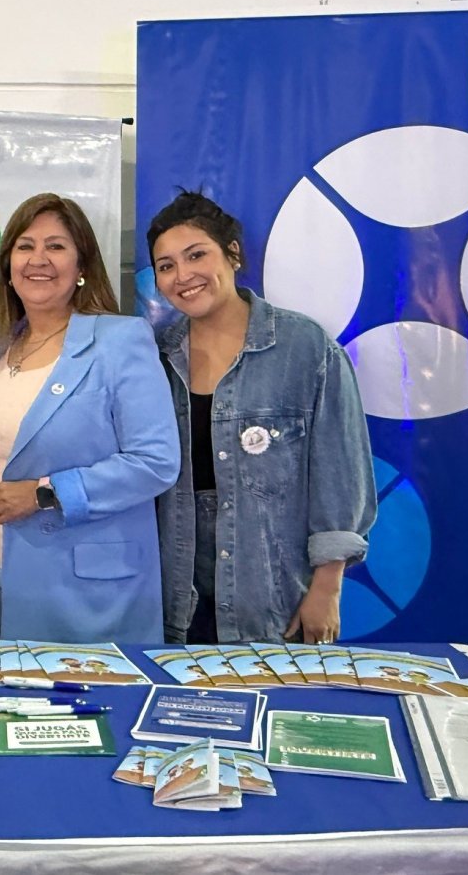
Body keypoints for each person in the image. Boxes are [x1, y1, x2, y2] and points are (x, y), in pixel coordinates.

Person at [148, 190, 376, 645]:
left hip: (272, 594)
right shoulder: (153, 354)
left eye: (196, 255)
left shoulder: (305, 348)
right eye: (166, 265)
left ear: (233, 254)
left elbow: (341, 475)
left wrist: (327, 588)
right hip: (173, 593)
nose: (183, 275)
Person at [0, 192, 179, 643]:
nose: (39, 259)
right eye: (25, 246)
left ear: (81, 268)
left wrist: (44, 493)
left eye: (55, 246)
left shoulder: (120, 341)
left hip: (81, 589)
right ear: (7, 266)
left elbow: (155, 462)